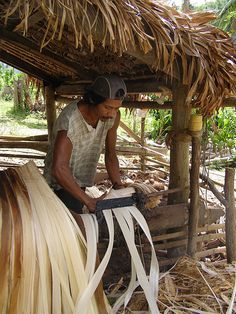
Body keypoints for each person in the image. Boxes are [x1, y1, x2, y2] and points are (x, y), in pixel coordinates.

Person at [44, 75, 127, 216]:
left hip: (80, 182)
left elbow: (111, 155)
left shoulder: (111, 117)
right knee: (77, 228)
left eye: (116, 108)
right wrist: (89, 201)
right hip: (60, 185)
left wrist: (118, 185)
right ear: (93, 100)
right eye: (108, 107)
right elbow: (59, 169)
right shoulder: (71, 121)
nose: (112, 113)